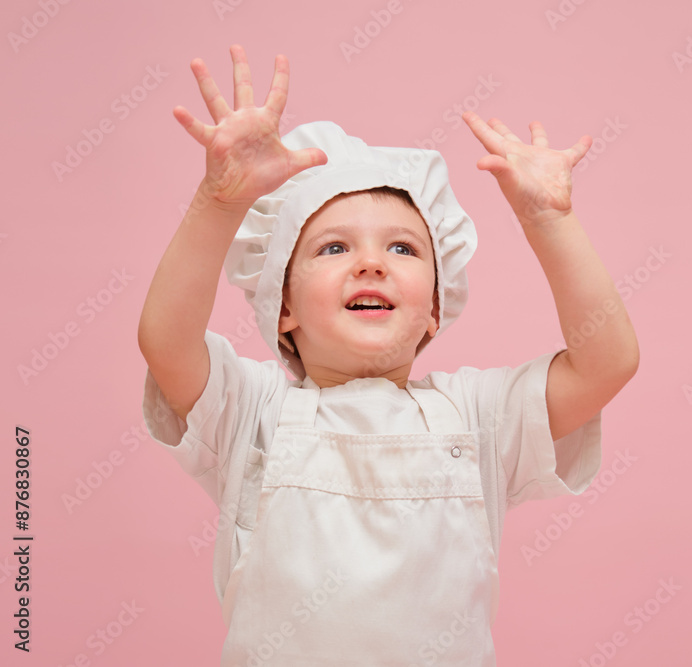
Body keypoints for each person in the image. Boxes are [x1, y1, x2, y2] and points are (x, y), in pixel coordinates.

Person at [137, 43, 639, 666]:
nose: (372, 262)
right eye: (332, 249)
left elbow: (606, 361)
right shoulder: (251, 410)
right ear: (282, 307)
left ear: (435, 306)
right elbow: (166, 341)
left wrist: (548, 219)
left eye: (403, 249)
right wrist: (219, 202)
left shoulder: (478, 416)